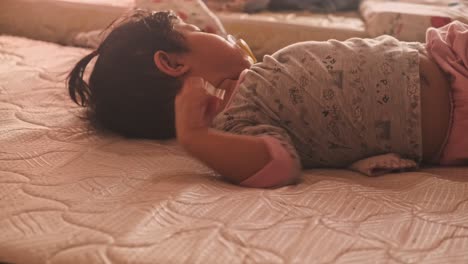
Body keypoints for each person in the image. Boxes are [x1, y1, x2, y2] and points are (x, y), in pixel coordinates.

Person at [68, 9, 468, 188]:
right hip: (453, 134)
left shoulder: (255, 79)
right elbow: (279, 165)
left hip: (449, 57)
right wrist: (196, 138)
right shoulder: (238, 120)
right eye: (197, 31)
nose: (226, 38)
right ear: (172, 63)